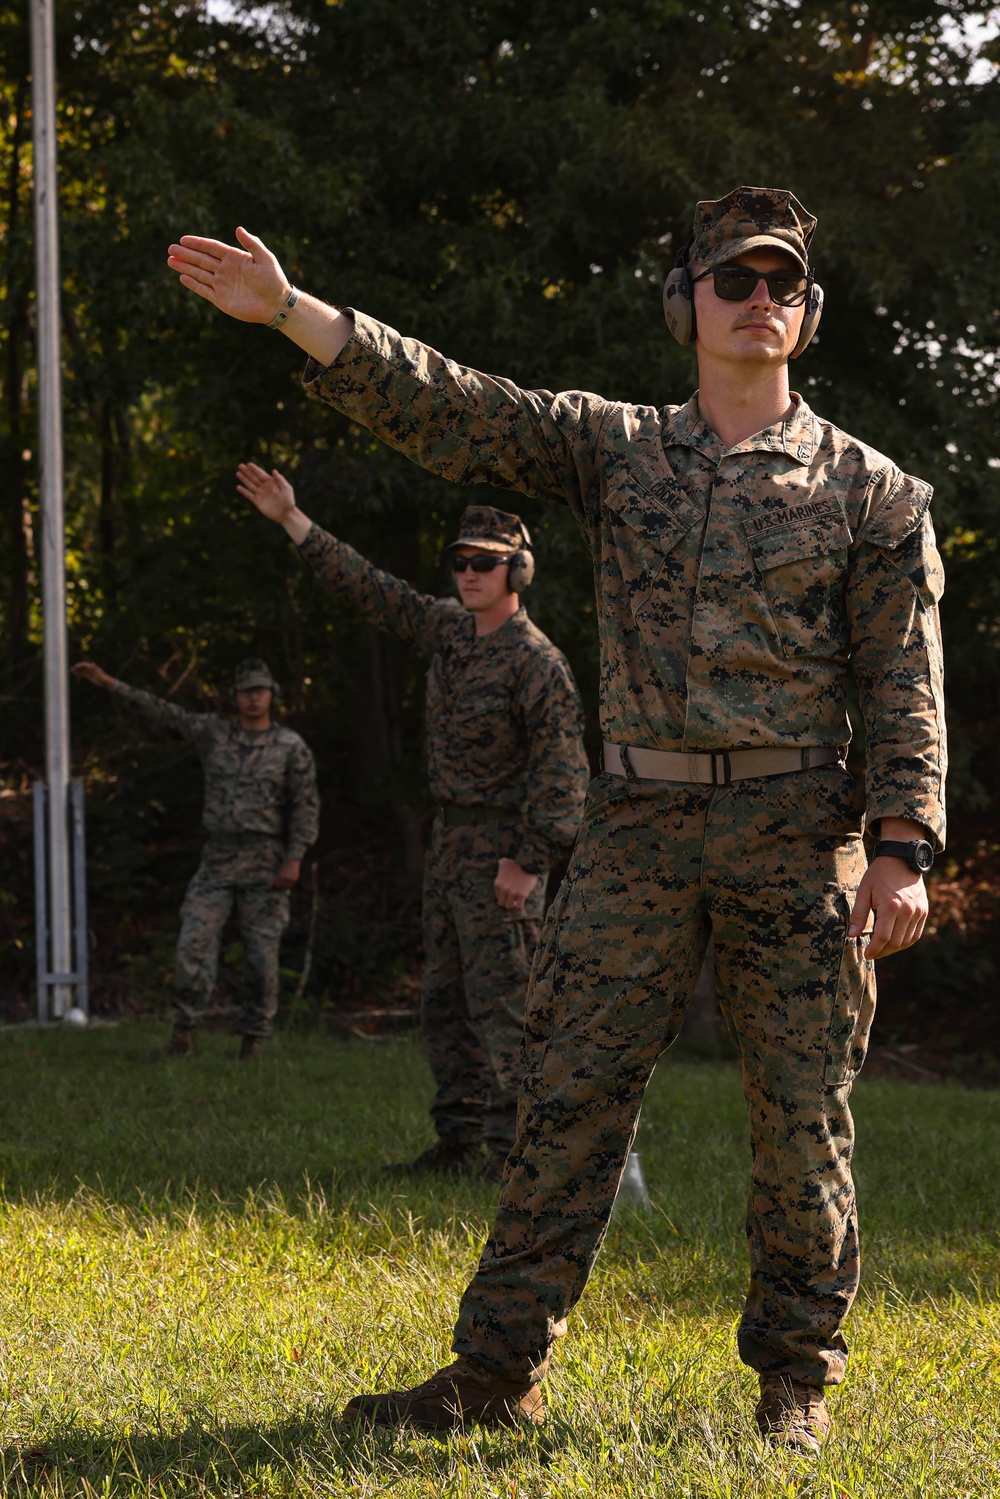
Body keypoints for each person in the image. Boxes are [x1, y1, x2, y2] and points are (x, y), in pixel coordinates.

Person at [167, 185, 945, 1449]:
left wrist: (902, 848)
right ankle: (493, 1368)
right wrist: (294, 313)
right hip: (637, 824)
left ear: (806, 311)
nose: (758, 301)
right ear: (684, 300)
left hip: (797, 830)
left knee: (801, 1119)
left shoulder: (873, 493)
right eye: (732, 279)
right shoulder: (617, 448)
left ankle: (794, 1378)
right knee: (565, 1101)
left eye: (781, 284)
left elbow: (903, 683)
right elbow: (457, 406)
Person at [235, 462, 589, 1179]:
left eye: (485, 564)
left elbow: (564, 776)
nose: (468, 573)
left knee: (509, 1005)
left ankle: (519, 1154)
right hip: (451, 842)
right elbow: (370, 586)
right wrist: (292, 521)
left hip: (503, 849)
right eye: (460, 561)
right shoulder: (450, 631)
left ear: (516, 571)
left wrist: (529, 861)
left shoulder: (537, 664)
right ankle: (459, 1140)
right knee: (444, 999)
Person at [73, 657, 319, 1058]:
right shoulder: (214, 733)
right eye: (245, 691)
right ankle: (183, 1035)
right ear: (234, 697)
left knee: (261, 956)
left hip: (265, 860)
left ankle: (253, 1042)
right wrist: (108, 683)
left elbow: (305, 806)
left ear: (272, 694)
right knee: (193, 945)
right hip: (218, 859)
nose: (253, 698)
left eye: (260, 690)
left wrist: (295, 857)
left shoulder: (290, 746)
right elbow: (163, 711)